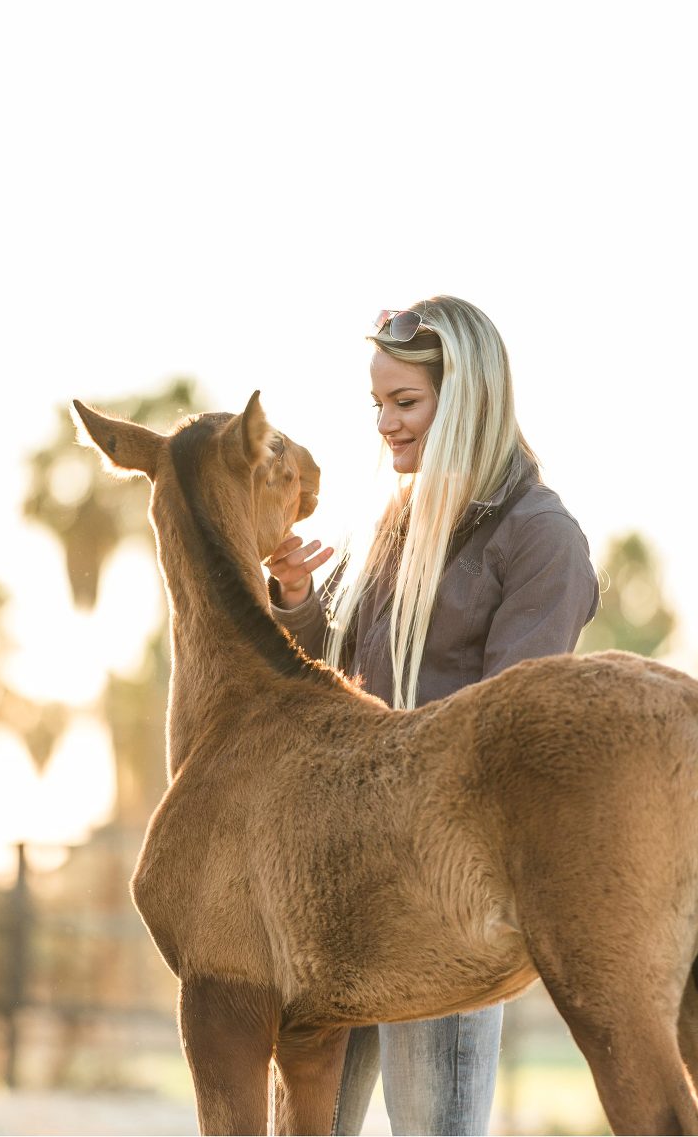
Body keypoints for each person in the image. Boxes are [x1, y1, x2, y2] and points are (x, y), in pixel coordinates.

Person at [267, 294, 599, 1137]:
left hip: (441, 903)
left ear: (469, 401)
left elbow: (504, 735)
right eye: (377, 403)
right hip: (341, 886)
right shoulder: (397, 523)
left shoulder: (541, 540)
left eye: (404, 402)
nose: (384, 422)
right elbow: (335, 675)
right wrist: (300, 599)